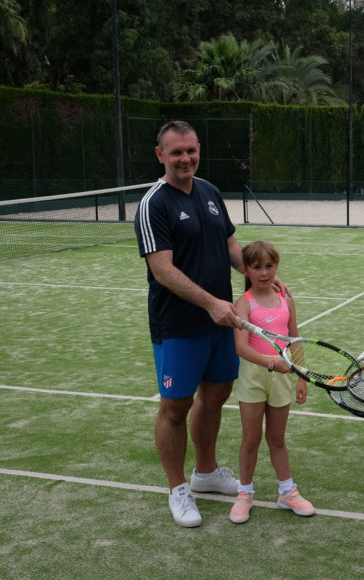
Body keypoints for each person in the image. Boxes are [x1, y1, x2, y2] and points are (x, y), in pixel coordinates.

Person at [134, 120, 263, 527]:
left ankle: (205, 472)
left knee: (216, 395)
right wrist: (210, 304)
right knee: (176, 407)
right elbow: (162, 270)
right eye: (176, 152)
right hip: (178, 324)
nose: (185, 158)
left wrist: (259, 276)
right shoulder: (153, 204)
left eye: (191, 150)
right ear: (161, 155)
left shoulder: (209, 191)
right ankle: (178, 488)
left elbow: (229, 244)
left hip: (220, 320)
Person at [229, 240, 314, 523]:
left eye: (269, 266)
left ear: (276, 267)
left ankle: (287, 492)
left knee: (277, 438)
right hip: (253, 378)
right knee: (251, 439)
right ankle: (245, 494)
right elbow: (241, 347)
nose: (264, 272)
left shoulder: (286, 299)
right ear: (245, 270)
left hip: (282, 379)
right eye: (257, 267)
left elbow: (294, 337)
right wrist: (270, 363)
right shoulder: (243, 304)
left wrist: (301, 376)